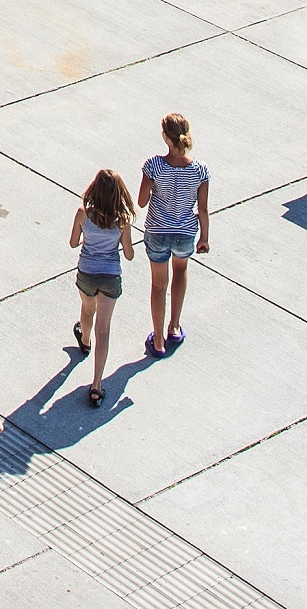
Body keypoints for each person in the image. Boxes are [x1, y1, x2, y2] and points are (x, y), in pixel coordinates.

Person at [138, 112, 210, 358]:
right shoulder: (200, 170)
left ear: (165, 138)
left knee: (159, 285)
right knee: (180, 272)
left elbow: (141, 201)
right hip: (185, 232)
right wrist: (204, 238)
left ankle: (158, 340)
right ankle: (175, 326)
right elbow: (202, 208)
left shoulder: (154, 165)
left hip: (158, 230)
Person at [68, 168, 134, 406]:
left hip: (87, 272)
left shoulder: (83, 214)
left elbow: (73, 242)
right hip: (110, 276)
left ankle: (84, 340)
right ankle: (96, 385)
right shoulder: (123, 221)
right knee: (103, 329)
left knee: (87, 310)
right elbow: (128, 255)